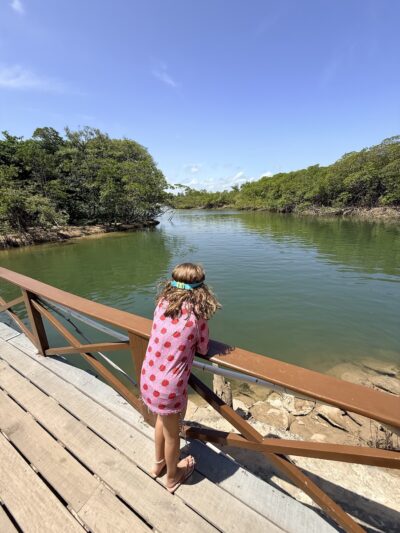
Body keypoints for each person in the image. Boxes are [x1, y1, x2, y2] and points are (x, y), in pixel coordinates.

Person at [140, 262, 221, 493]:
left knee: (161, 421)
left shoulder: (162, 304)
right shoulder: (196, 316)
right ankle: (173, 476)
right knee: (173, 435)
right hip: (169, 387)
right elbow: (203, 348)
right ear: (200, 290)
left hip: (148, 377)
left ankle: (158, 465)